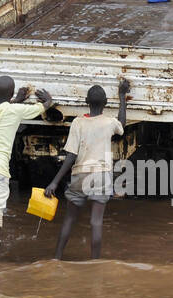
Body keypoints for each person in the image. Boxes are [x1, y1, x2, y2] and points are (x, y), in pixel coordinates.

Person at [0, 76, 54, 262]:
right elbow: (40, 108)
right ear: (12, 92)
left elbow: (1, 106)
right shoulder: (15, 111)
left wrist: (15, 99)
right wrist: (48, 101)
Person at [44, 80, 129, 260]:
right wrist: (122, 96)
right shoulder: (109, 122)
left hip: (80, 176)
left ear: (86, 101)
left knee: (69, 219)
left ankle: (56, 258)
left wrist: (55, 181)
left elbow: (71, 155)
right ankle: (95, 262)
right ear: (106, 103)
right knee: (96, 223)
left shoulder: (78, 122)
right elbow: (122, 124)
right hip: (101, 176)